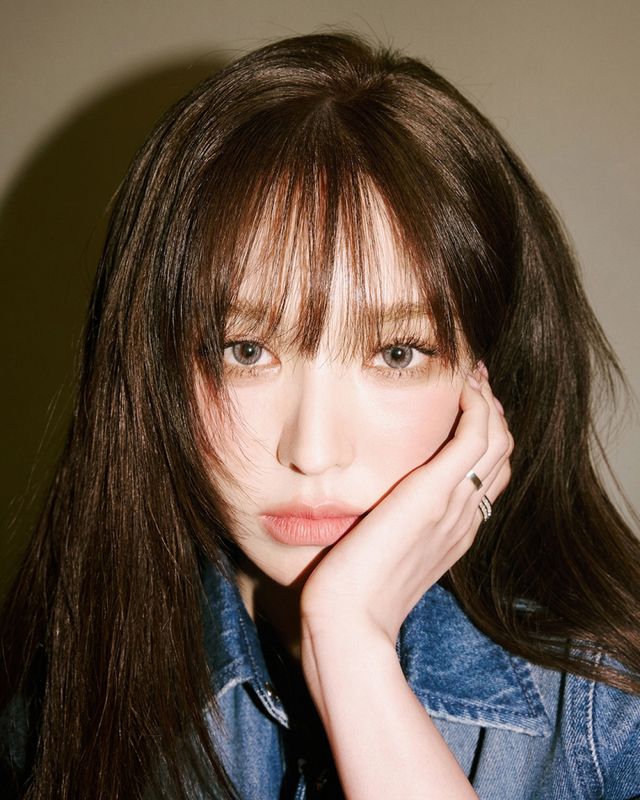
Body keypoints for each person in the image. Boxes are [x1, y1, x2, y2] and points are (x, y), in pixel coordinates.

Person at [1, 31, 639, 800]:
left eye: (396, 353)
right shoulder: (55, 699)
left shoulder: (609, 716)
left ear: (486, 375)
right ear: (157, 367)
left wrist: (350, 641)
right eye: (246, 350)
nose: (313, 449)